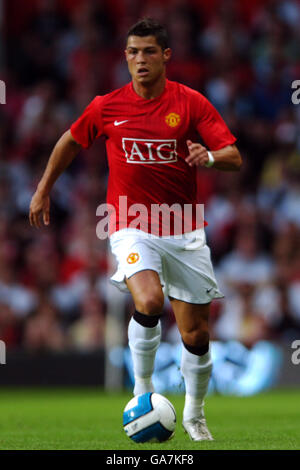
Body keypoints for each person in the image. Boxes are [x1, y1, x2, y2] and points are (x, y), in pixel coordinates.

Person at [29, 18, 242, 442]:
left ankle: (195, 414)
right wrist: (43, 189)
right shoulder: (106, 106)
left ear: (166, 56)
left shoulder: (192, 102)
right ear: (124, 57)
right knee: (147, 298)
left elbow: (233, 154)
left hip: (183, 230)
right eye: (132, 52)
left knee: (195, 334)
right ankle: (142, 391)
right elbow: (69, 140)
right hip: (129, 223)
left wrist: (211, 158)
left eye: (148, 51)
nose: (139, 59)